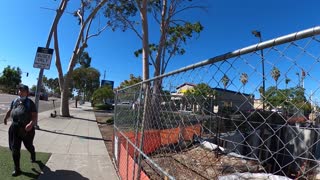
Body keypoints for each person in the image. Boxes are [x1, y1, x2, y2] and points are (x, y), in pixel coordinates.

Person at [3, 84, 37, 176]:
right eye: (19, 90)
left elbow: (34, 116)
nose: (20, 92)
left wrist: (31, 124)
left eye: (23, 91)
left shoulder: (30, 103)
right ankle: (17, 169)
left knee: (28, 146)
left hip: (26, 129)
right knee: (15, 149)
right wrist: (6, 118)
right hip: (15, 128)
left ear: (27, 92)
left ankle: (32, 153)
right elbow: (10, 110)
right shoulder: (15, 101)